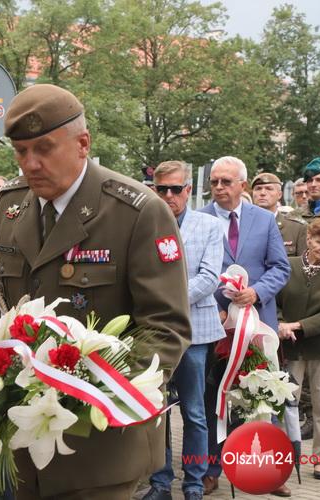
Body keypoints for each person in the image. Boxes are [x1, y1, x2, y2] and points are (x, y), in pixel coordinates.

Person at [0, 84, 191, 500]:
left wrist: (84, 392)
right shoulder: (7, 210)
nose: (30, 164)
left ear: (83, 144)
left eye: (44, 149)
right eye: (20, 151)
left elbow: (166, 328)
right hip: (23, 440)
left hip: (101, 446)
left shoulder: (137, 212)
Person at [199, 156, 290, 495]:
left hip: (256, 324)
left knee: (263, 395)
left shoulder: (264, 220)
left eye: (226, 181)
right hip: (215, 325)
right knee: (213, 397)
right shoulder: (199, 219)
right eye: (214, 182)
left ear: (243, 185)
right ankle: (211, 469)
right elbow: (190, 272)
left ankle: (268, 471)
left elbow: (280, 267)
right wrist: (214, 309)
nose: (219, 187)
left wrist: (257, 292)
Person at [143, 161, 224, 500]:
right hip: (154, 332)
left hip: (195, 333)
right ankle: (160, 482)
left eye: (176, 189)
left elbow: (210, 277)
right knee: (157, 411)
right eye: (162, 189)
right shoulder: (144, 222)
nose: (169, 195)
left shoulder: (210, 225)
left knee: (194, 412)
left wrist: (167, 301)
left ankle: (194, 483)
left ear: (189, 190)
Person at [278, 218, 320, 482]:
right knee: (285, 403)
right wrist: (279, 324)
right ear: (309, 239)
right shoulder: (287, 266)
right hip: (290, 346)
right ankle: (283, 456)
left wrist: (298, 325)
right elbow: (273, 300)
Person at [251, 172, 307, 257]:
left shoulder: (297, 228)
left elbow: (302, 263)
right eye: (258, 189)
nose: (262, 193)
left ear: (279, 194)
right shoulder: (241, 224)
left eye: (269, 189)